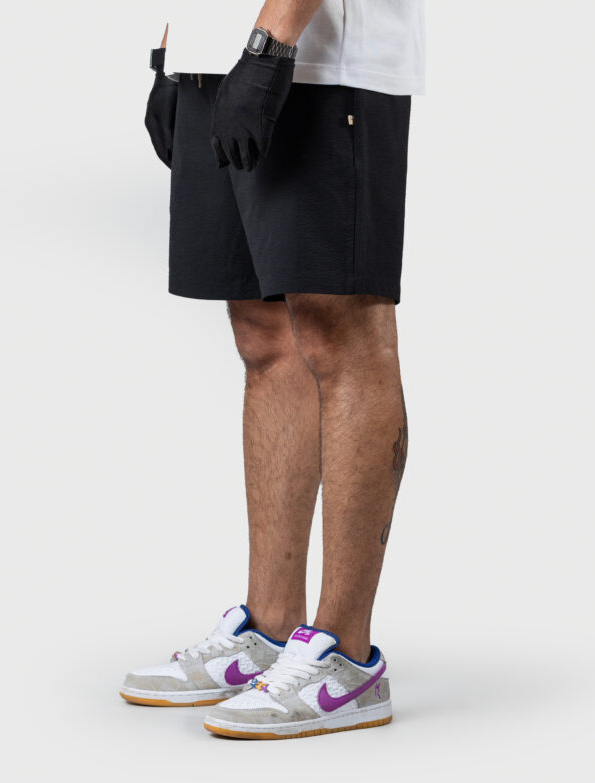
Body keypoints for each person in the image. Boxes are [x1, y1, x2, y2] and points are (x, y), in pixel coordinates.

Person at [122, 0, 424, 740]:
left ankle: (346, 656)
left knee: (340, 330)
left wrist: (271, 42)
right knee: (263, 333)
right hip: (216, 61)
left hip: (321, 63)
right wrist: (173, 49)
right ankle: (269, 627)